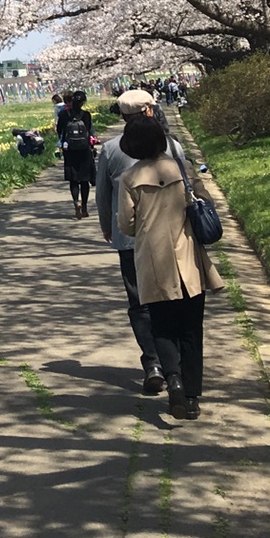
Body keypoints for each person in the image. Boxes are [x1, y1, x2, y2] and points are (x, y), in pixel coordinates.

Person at [117, 112, 224, 420]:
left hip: (154, 261)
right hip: (188, 257)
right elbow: (203, 199)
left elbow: (126, 224)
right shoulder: (181, 168)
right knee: (191, 328)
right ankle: (191, 397)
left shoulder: (129, 178)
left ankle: (173, 379)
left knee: (162, 326)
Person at [96, 89, 175, 394]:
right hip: (170, 239)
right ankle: (174, 365)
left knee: (139, 302)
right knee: (171, 300)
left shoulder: (110, 150)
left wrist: (108, 227)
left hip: (129, 239)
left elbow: (102, 194)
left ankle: (153, 362)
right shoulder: (170, 146)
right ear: (149, 112)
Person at [55, 88, 97, 219]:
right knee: (84, 180)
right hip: (84, 150)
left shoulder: (63, 115)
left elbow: (59, 131)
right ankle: (84, 207)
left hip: (70, 150)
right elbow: (89, 132)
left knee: (73, 179)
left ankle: (76, 202)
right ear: (83, 102)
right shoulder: (86, 115)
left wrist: (62, 144)